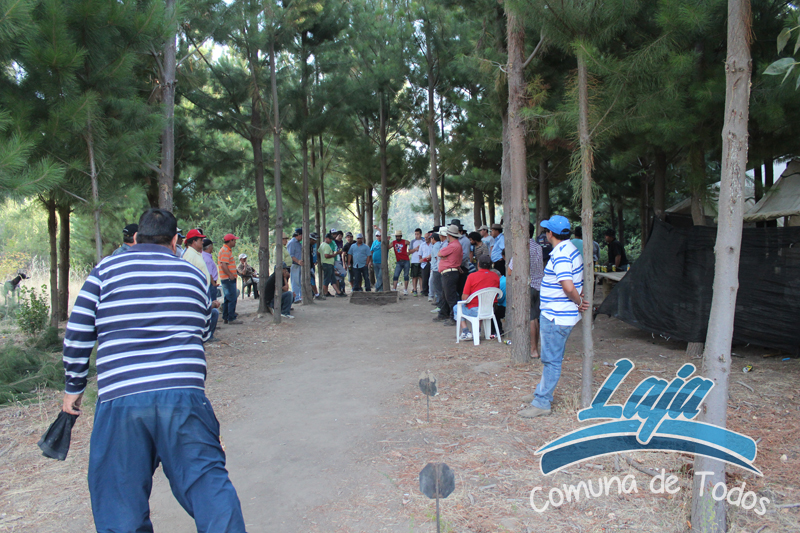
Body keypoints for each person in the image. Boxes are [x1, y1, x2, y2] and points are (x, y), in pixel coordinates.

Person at [61, 208, 245, 532]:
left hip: (121, 400)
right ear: (175, 241)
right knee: (208, 486)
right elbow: (204, 330)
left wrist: (73, 387)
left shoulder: (104, 271)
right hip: (183, 397)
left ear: (136, 237)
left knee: (120, 500)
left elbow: (77, 333)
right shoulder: (192, 275)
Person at [518, 215, 588, 418]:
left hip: (556, 316)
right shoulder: (569, 249)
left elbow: (568, 286)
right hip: (559, 313)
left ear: (550, 234)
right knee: (551, 358)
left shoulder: (562, 255)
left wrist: (578, 302)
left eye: (546, 230)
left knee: (551, 361)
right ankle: (540, 393)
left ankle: (542, 402)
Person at [509, 223, 545, 358]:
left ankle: (533, 349)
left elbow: (510, 270)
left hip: (528, 286)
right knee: (535, 318)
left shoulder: (522, 248)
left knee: (531, 319)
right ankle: (535, 347)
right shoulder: (538, 247)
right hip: (539, 285)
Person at [183, 229, 219, 343]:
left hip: (202, 290)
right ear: (194, 242)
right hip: (196, 292)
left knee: (210, 313)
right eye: (200, 240)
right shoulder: (189, 255)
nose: (202, 242)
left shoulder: (196, 254)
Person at [454, 255, 501, 341]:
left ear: (478, 264)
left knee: (457, 308)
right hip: (490, 309)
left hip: (475, 310)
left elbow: (465, 297)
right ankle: (477, 331)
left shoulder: (472, 276)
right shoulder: (495, 276)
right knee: (481, 304)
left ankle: (465, 332)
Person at [433, 225, 463, 326]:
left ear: (449, 235)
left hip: (449, 273)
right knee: (447, 295)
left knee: (450, 296)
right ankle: (447, 314)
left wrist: (444, 257)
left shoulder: (452, 246)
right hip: (450, 272)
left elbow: (440, 253)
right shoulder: (456, 245)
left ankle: (454, 317)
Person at [217, 233, 241, 324]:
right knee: (232, 298)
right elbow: (224, 265)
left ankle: (226, 317)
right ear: (230, 241)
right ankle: (231, 318)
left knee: (228, 298)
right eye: (234, 240)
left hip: (226, 278)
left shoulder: (226, 250)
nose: (235, 242)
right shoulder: (225, 251)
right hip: (228, 279)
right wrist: (230, 274)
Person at [429, 228, 444, 311]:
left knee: (437, 288)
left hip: (436, 269)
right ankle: (439, 302)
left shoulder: (435, 246)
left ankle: (439, 304)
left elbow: (437, 258)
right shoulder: (440, 244)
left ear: (433, 239)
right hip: (438, 268)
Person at [391, 230, 411, 295]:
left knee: (406, 275)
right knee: (396, 275)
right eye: (396, 236)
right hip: (399, 261)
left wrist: (410, 251)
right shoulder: (393, 242)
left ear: (401, 236)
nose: (397, 237)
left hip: (406, 260)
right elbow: (388, 247)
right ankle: (394, 288)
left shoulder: (405, 241)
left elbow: (411, 244)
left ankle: (405, 290)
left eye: (398, 236)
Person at [287, 228, 303, 303]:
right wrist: (298, 261)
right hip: (295, 264)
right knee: (295, 282)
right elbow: (291, 255)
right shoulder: (292, 243)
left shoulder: (299, 243)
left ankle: (300, 296)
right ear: (299, 235)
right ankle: (296, 298)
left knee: (299, 281)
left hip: (299, 265)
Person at [409, 228, 424, 296]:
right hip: (414, 260)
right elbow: (409, 251)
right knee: (414, 276)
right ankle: (414, 289)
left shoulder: (423, 241)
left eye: (417, 234)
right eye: (415, 234)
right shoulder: (412, 241)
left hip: (422, 261)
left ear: (420, 234)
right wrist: (415, 249)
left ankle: (421, 289)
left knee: (421, 276)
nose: (416, 235)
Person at [419, 232, 432, 298]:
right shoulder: (422, 245)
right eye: (425, 237)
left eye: (427, 237)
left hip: (432, 262)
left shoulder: (432, 244)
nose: (426, 238)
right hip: (424, 263)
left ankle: (431, 291)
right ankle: (425, 291)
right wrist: (421, 261)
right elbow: (420, 254)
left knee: (431, 277)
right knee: (424, 278)